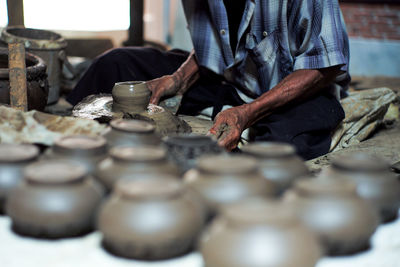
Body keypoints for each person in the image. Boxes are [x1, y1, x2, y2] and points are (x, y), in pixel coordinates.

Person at [67, 0, 350, 160]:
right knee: (115, 62)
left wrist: (248, 113)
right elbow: (210, 49)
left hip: (295, 92)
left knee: (281, 148)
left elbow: (324, 66)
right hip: (231, 82)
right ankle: (58, 136)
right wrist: (177, 80)